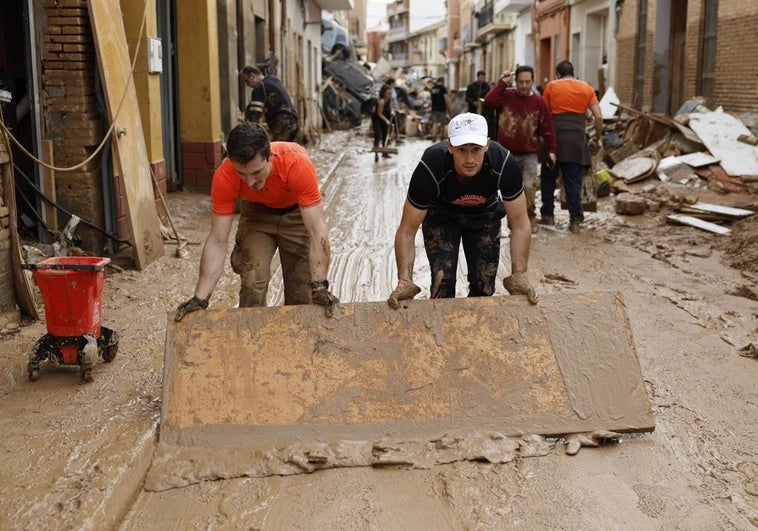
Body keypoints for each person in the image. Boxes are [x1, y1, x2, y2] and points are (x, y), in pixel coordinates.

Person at [175, 121, 338, 321]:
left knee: (301, 292)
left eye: (256, 173)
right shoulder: (224, 176)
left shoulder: (296, 164)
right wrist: (200, 299)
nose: (250, 182)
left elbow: (317, 232)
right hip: (257, 215)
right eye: (242, 174)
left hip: (297, 214)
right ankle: (250, 342)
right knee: (252, 282)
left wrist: (320, 286)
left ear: (269, 157)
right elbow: (217, 241)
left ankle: (297, 346)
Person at [387, 112, 538, 309]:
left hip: (485, 215)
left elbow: (519, 223)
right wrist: (404, 280)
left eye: (476, 149)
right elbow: (407, 229)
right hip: (441, 215)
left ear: (487, 144)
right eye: (461, 150)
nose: (469, 159)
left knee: (483, 285)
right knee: (443, 282)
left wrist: (520, 274)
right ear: (449, 146)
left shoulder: (503, 163)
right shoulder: (432, 165)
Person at [484, 65, 557, 233]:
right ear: (515, 81)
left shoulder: (539, 102)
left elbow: (548, 129)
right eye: (521, 82)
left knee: (529, 187)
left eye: (528, 82)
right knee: (506, 190)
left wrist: (552, 151)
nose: (524, 85)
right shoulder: (506, 96)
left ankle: (530, 217)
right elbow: (488, 101)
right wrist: (502, 83)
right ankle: (513, 223)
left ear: (532, 81)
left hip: (529, 154)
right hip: (505, 154)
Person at [540, 60, 604, 233]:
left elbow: (544, 114)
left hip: (554, 140)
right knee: (572, 182)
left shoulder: (552, 87)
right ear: (574, 73)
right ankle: (575, 221)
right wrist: (598, 138)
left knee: (548, 178)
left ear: (558, 74)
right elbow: (598, 117)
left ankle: (548, 216)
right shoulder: (587, 88)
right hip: (576, 142)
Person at [241, 65, 299, 142]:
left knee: (277, 149)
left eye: (246, 81)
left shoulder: (259, 87)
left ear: (252, 76)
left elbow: (254, 116)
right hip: (292, 120)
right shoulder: (273, 80)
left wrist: (249, 133)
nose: (247, 84)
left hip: (281, 125)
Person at [372, 83, 393, 162]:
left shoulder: (389, 101)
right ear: (384, 93)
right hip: (377, 118)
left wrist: (392, 112)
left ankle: (385, 152)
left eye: (390, 93)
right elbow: (379, 113)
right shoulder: (381, 101)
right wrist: (387, 121)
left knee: (385, 133)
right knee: (377, 134)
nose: (390, 95)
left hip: (384, 117)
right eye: (388, 93)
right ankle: (376, 154)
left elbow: (391, 109)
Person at [428, 76, 451, 142]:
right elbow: (446, 98)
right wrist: (449, 109)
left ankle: (434, 136)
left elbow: (431, 99)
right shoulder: (443, 88)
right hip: (441, 108)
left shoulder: (433, 89)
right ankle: (441, 136)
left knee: (435, 122)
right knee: (442, 123)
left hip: (434, 108)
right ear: (443, 81)